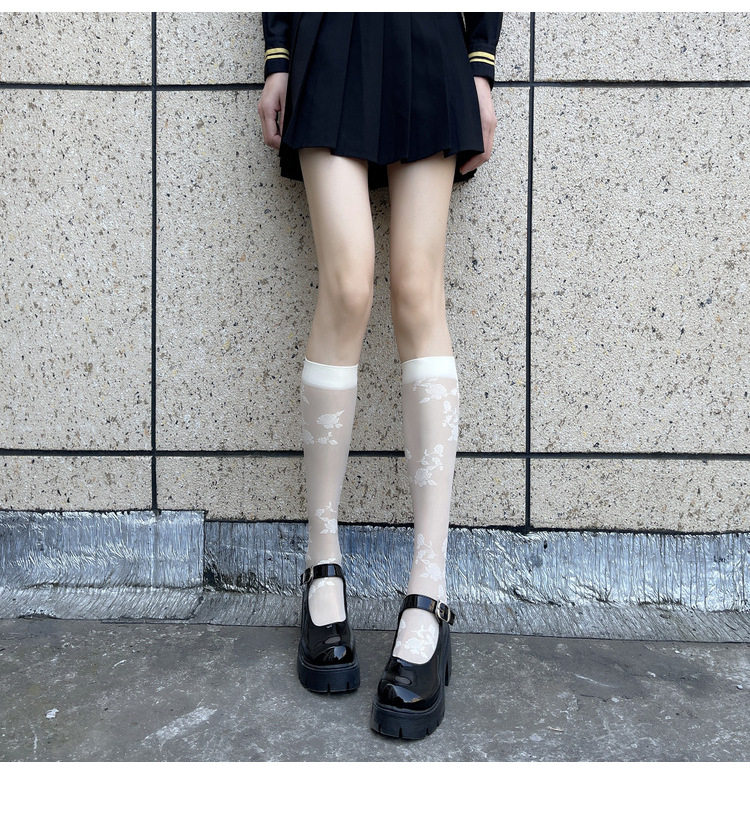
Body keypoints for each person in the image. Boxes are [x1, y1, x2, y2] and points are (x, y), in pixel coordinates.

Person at [258, 11, 502, 740]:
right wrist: (277, 55)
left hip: (429, 37)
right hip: (330, 35)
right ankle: (321, 564)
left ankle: (429, 590)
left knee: (418, 291)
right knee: (347, 288)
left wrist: (481, 63)